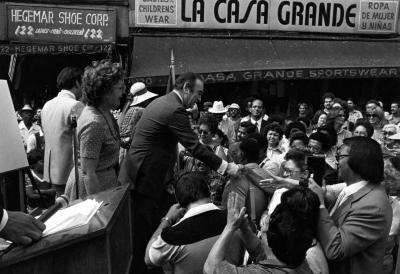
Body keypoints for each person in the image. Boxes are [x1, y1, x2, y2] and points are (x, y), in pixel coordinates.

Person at [118, 72, 239, 274]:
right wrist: (227, 167)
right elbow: (194, 146)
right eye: (198, 94)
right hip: (144, 179)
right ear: (185, 89)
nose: (198, 99)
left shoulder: (162, 102)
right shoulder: (174, 109)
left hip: (142, 175)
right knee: (143, 234)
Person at [309, 137, 392, 274]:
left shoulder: (373, 206)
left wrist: (320, 204)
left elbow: (336, 250)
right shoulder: (353, 189)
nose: (336, 162)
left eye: (340, 156)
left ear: (358, 160)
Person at [145, 172, 242, 274]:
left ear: (179, 201)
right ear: (209, 191)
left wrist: (167, 219)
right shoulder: (235, 220)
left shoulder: (172, 236)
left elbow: (148, 259)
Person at [204, 192, 314, 274]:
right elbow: (262, 253)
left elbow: (211, 268)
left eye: (265, 224)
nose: (262, 228)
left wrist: (230, 226)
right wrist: (245, 228)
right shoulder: (297, 261)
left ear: (270, 239)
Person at [65, 60, 124, 200]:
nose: (123, 93)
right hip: (92, 193)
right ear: (105, 91)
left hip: (106, 186)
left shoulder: (104, 112)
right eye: (120, 88)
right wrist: (99, 206)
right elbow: (88, 173)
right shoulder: (94, 123)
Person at [41, 67, 85, 195]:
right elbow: (81, 138)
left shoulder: (47, 105)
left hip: (51, 171)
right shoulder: (75, 105)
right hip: (69, 171)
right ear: (77, 82)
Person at [222, 138, 271, 225]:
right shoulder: (267, 175)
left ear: (242, 155)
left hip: (243, 232)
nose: (234, 156)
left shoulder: (239, 177)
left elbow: (233, 216)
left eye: (235, 152)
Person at [118, 82, 158, 163]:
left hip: (122, 148)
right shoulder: (141, 110)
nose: (148, 101)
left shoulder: (130, 109)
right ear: (144, 99)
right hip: (131, 148)